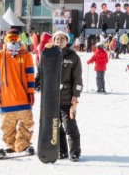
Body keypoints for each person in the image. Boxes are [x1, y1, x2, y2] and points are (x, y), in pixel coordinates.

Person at [0, 29, 36, 155]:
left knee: (27, 123)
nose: (13, 40)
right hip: (6, 98)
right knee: (7, 127)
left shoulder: (26, 55)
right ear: (6, 39)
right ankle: (10, 145)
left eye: (15, 38)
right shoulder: (0, 55)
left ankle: (22, 145)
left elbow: (30, 75)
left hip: (23, 98)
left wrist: (31, 92)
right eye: (10, 38)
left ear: (19, 39)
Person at [47, 30, 82, 161]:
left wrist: (76, 95)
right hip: (52, 99)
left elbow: (78, 79)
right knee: (56, 127)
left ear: (67, 41)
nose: (59, 41)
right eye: (57, 39)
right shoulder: (49, 54)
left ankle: (75, 152)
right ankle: (62, 151)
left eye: (62, 39)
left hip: (67, 99)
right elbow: (42, 70)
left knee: (70, 127)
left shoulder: (73, 57)